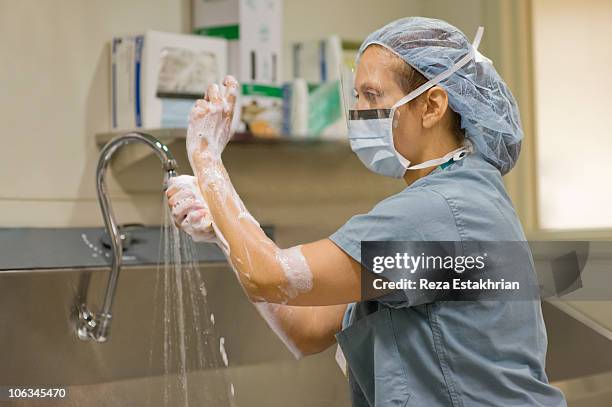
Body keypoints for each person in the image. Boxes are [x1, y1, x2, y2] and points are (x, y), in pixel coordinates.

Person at [166, 17, 566, 407]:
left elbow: (270, 277)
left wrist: (207, 160)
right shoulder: (465, 198)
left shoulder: (437, 211)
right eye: (356, 95)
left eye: (372, 95)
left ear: (431, 106)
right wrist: (224, 227)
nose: (358, 112)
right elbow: (306, 329)